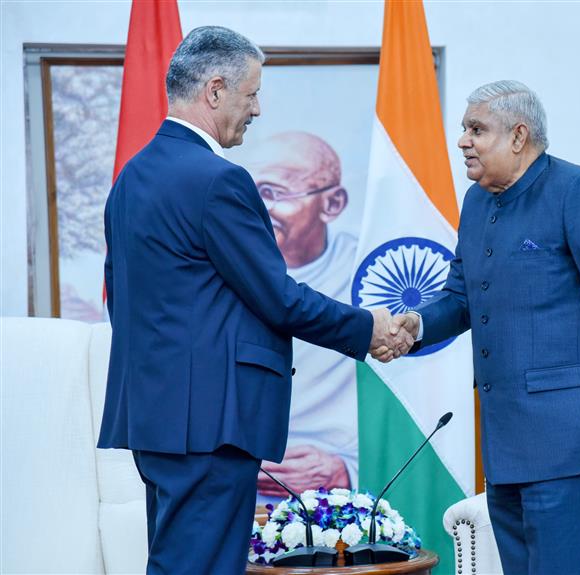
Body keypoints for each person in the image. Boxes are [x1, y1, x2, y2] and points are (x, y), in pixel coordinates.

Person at [97, 26, 410, 574]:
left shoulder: (132, 177)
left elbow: (121, 301)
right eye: (252, 93)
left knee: (177, 562)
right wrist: (368, 329)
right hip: (211, 424)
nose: (258, 109)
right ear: (215, 90)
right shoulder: (219, 180)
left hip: (157, 419)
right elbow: (279, 298)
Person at [387, 80, 580, 574]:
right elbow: (462, 297)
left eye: (476, 129)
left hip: (568, 444)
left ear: (518, 136)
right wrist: (418, 324)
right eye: (463, 129)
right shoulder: (476, 202)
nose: (463, 140)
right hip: (503, 442)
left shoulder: (579, 192)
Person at [245, 132, 360, 501]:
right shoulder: (227, 275)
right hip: (241, 482)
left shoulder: (365, 278)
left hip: (345, 491)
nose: (257, 210)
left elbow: (408, 398)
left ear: (332, 204)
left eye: (272, 193)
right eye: (249, 195)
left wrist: (346, 470)